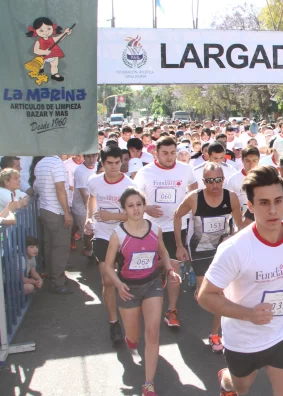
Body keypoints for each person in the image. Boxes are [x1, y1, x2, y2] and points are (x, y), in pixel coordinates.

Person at [197, 166, 283, 396]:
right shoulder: (235, 249)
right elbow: (205, 296)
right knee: (240, 387)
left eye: (278, 201)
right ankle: (227, 381)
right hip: (243, 339)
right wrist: (249, 314)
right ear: (250, 206)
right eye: (263, 203)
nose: (273, 210)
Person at [103, 187, 181, 396]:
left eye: (139, 204)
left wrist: (171, 270)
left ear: (144, 206)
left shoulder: (155, 229)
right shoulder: (118, 234)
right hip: (128, 288)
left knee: (153, 332)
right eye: (131, 206)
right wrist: (119, 285)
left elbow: (163, 253)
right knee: (133, 335)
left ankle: (148, 383)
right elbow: (109, 267)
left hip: (152, 284)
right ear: (124, 209)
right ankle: (131, 340)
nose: (136, 209)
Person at [173, 162, 244, 354]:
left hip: (222, 249)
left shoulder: (231, 198)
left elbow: (239, 225)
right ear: (204, 182)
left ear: (223, 180)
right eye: (210, 181)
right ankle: (197, 284)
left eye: (219, 180)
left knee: (219, 295)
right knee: (205, 295)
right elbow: (177, 216)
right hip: (200, 249)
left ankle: (215, 334)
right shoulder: (194, 198)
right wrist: (179, 246)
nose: (215, 185)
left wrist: (234, 237)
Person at [133, 136, 198, 328]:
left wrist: (187, 208)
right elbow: (133, 197)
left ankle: (171, 310)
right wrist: (146, 209)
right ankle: (145, 301)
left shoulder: (185, 169)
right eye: (165, 153)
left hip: (177, 227)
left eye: (172, 153)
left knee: (175, 269)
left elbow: (193, 188)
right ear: (156, 153)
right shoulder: (145, 172)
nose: (169, 157)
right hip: (150, 228)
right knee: (149, 268)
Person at [86, 145, 136, 343]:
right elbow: (92, 199)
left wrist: (111, 215)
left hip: (124, 236)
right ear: (102, 163)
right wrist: (89, 219)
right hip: (102, 235)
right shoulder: (94, 181)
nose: (115, 167)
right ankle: (113, 322)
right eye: (110, 163)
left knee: (127, 280)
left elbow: (134, 214)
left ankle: (130, 319)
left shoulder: (129, 185)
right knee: (107, 280)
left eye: (118, 163)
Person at [32, 154, 74, 295]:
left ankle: (53, 277)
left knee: (49, 246)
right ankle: (57, 282)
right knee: (59, 248)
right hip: (56, 211)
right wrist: (67, 212)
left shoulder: (41, 163)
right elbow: (60, 189)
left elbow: (36, 187)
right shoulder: (56, 164)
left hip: (45, 209)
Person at [71, 153, 98, 259]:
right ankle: (89, 251)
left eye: (93, 156)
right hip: (81, 206)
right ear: (84, 157)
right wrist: (90, 212)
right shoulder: (80, 171)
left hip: (95, 204)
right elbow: (84, 194)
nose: (91, 160)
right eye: (88, 157)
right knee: (87, 232)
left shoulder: (98, 166)